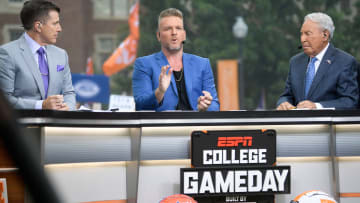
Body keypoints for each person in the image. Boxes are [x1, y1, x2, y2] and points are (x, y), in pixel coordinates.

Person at [132, 8, 219, 111]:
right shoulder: (143, 64)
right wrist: (160, 91)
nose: (174, 32)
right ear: (159, 36)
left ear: (184, 35)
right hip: (161, 126)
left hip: (196, 125)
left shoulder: (202, 64)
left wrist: (205, 107)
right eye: (168, 29)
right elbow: (141, 105)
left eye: (178, 28)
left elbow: (215, 105)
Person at [0, 0, 76, 110]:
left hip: (56, 125)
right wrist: (41, 105)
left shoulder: (61, 55)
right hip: (24, 125)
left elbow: (69, 93)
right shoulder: (7, 54)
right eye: (55, 23)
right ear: (38, 26)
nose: (59, 29)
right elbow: (5, 100)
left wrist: (68, 107)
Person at [277, 12, 358, 110]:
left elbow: (350, 101)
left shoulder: (345, 62)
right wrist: (284, 103)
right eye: (301, 34)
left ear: (325, 35)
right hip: (298, 124)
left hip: (328, 124)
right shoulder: (295, 62)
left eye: (308, 34)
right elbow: (287, 95)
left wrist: (317, 106)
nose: (303, 39)